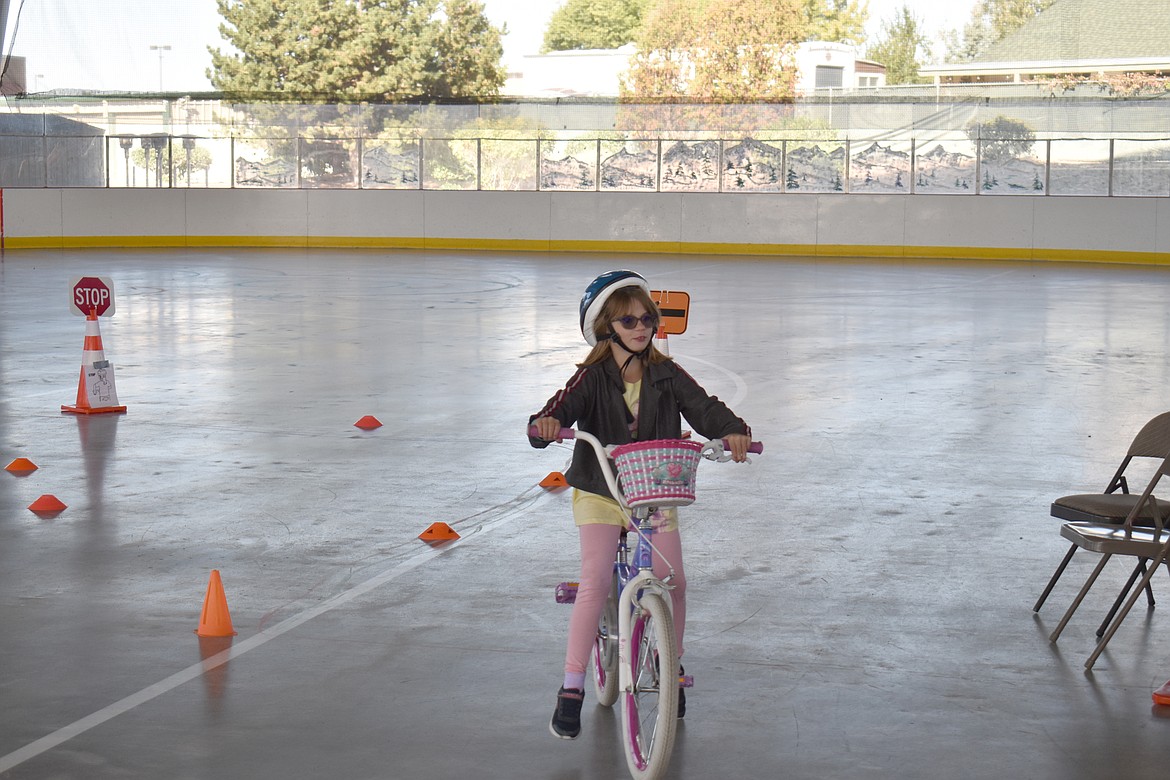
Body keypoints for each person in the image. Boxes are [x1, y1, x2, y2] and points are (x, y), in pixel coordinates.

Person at [528, 269, 752, 740]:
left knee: (674, 581)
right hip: (600, 491)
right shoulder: (590, 378)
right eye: (629, 320)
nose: (642, 327)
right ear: (607, 325)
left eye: (648, 318)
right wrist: (546, 423)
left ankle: (670, 662)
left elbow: (704, 406)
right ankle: (571, 687)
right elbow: (558, 408)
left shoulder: (665, 373)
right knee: (593, 583)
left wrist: (732, 429)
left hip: (653, 489)